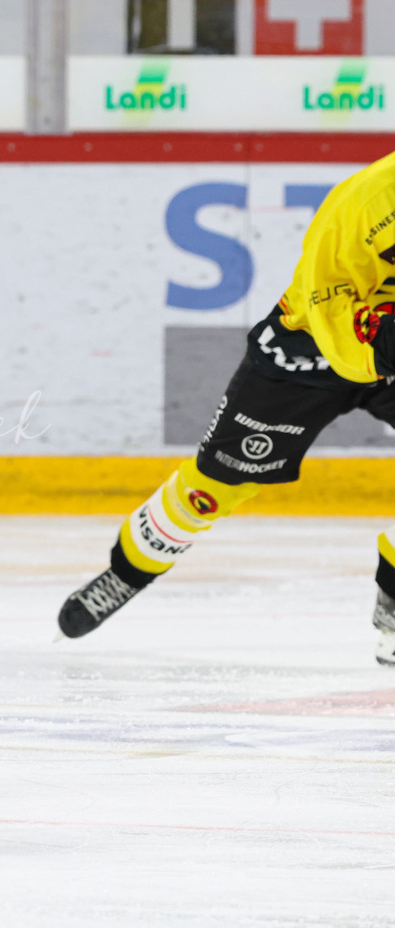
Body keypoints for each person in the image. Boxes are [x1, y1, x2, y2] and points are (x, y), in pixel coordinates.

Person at [59, 148, 395, 665]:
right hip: (312, 348)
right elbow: (325, 296)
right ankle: (124, 574)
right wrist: (378, 348)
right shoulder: (372, 200)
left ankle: (393, 600)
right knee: (212, 488)